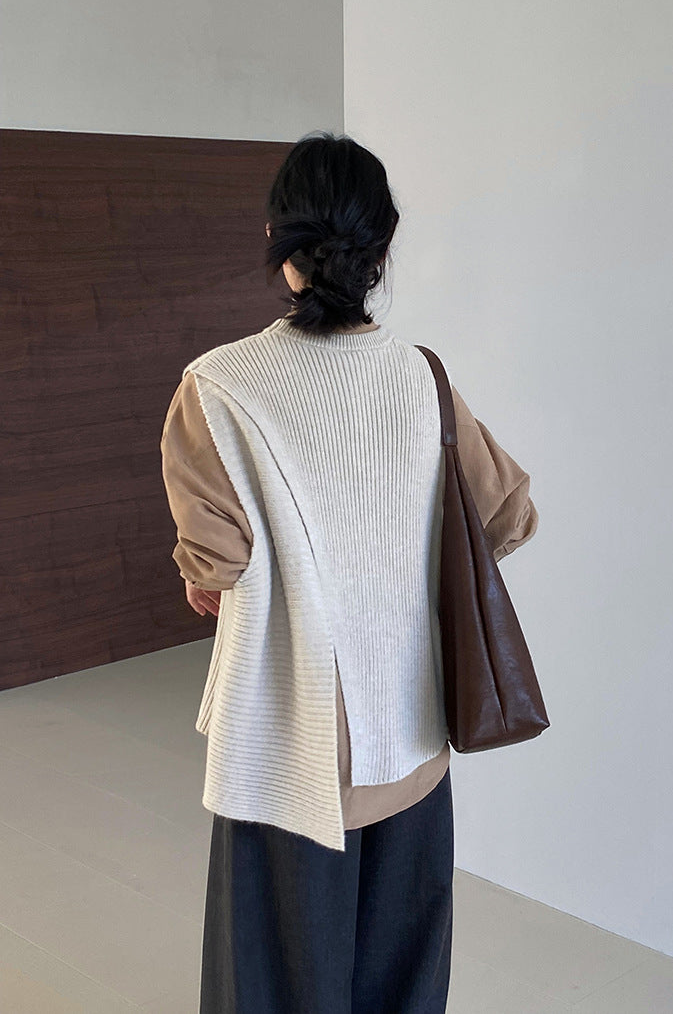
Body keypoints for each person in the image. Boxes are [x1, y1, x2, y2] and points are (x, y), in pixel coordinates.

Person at [160, 130, 539, 1013]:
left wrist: (203, 574)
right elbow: (508, 515)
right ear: (381, 248)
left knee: (275, 984)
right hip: (411, 732)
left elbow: (216, 564)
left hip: (286, 748)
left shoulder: (217, 386)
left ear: (277, 241)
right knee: (403, 982)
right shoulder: (421, 378)